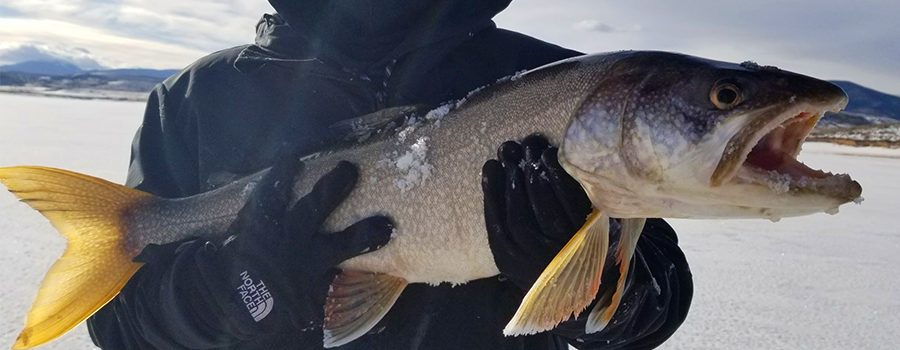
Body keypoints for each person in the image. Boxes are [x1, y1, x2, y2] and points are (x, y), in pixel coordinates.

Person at [87, 0, 693, 349]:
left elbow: (656, 305)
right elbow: (120, 326)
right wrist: (232, 291)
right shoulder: (199, 98)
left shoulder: (558, 83)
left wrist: (583, 282)